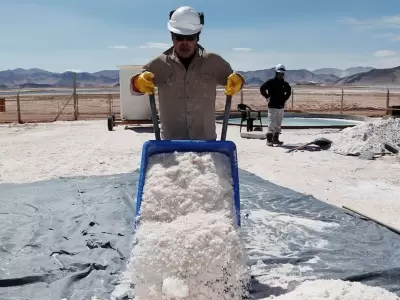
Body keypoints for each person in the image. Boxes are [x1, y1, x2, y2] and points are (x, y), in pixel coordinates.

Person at [130, 6, 245, 140]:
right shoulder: (159, 64)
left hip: (206, 142)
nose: (185, 43)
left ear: (197, 37)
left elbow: (234, 80)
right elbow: (134, 89)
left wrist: (239, 81)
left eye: (190, 38)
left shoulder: (214, 61)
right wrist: (138, 82)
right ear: (172, 36)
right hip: (170, 144)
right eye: (179, 37)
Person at [259, 64, 292, 146]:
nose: (281, 75)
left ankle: (275, 139)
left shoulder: (285, 84)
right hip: (272, 107)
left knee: (278, 124)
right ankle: (269, 140)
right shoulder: (270, 82)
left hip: (281, 107)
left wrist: (284, 99)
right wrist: (267, 96)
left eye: (282, 73)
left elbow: (289, 92)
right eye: (279, 73)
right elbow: (262, 88)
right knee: (271, 124)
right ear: (276, 73)